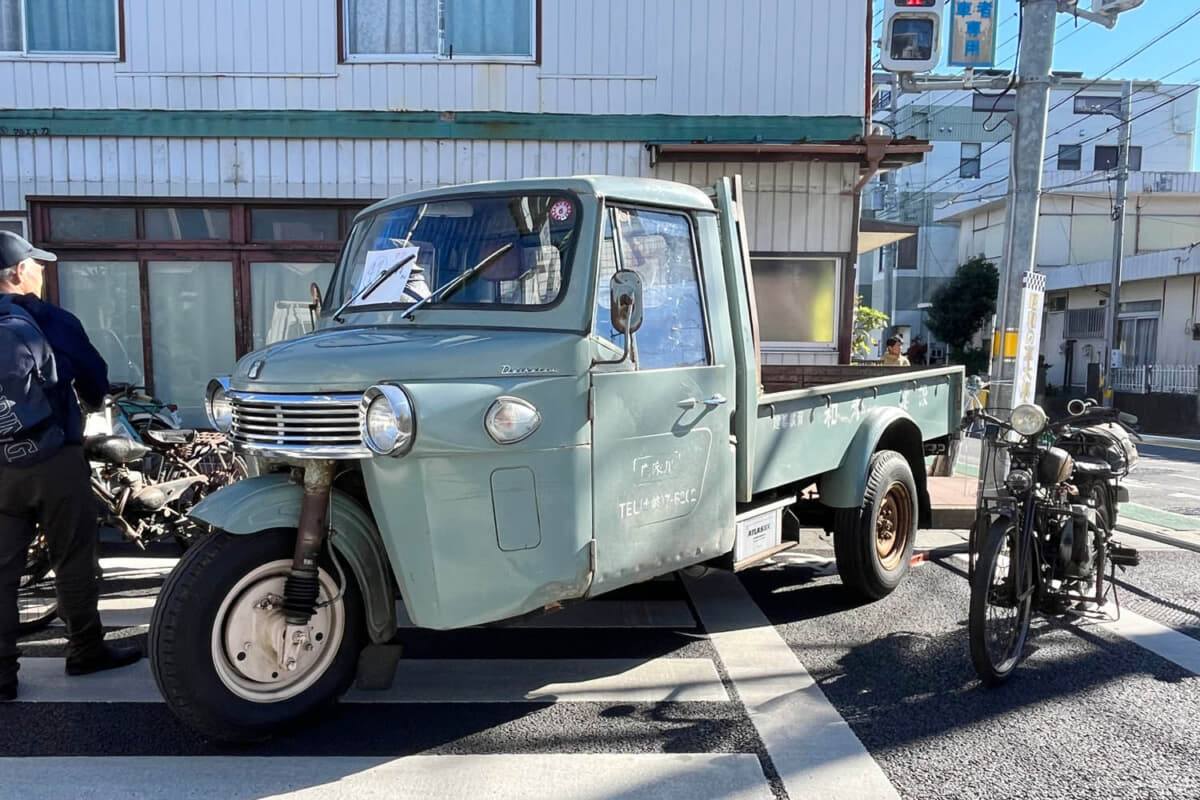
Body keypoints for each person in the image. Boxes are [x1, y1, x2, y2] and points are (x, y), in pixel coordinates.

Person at [0, 230, 141, 702]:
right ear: (19, 272)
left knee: (2, 571)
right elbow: (95, 378)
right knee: (74, 557)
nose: (42, 271)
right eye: (37, 264)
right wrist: (91, 400)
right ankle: (85, 649)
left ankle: (2, 676)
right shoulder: (51, 319)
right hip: (54, 456)